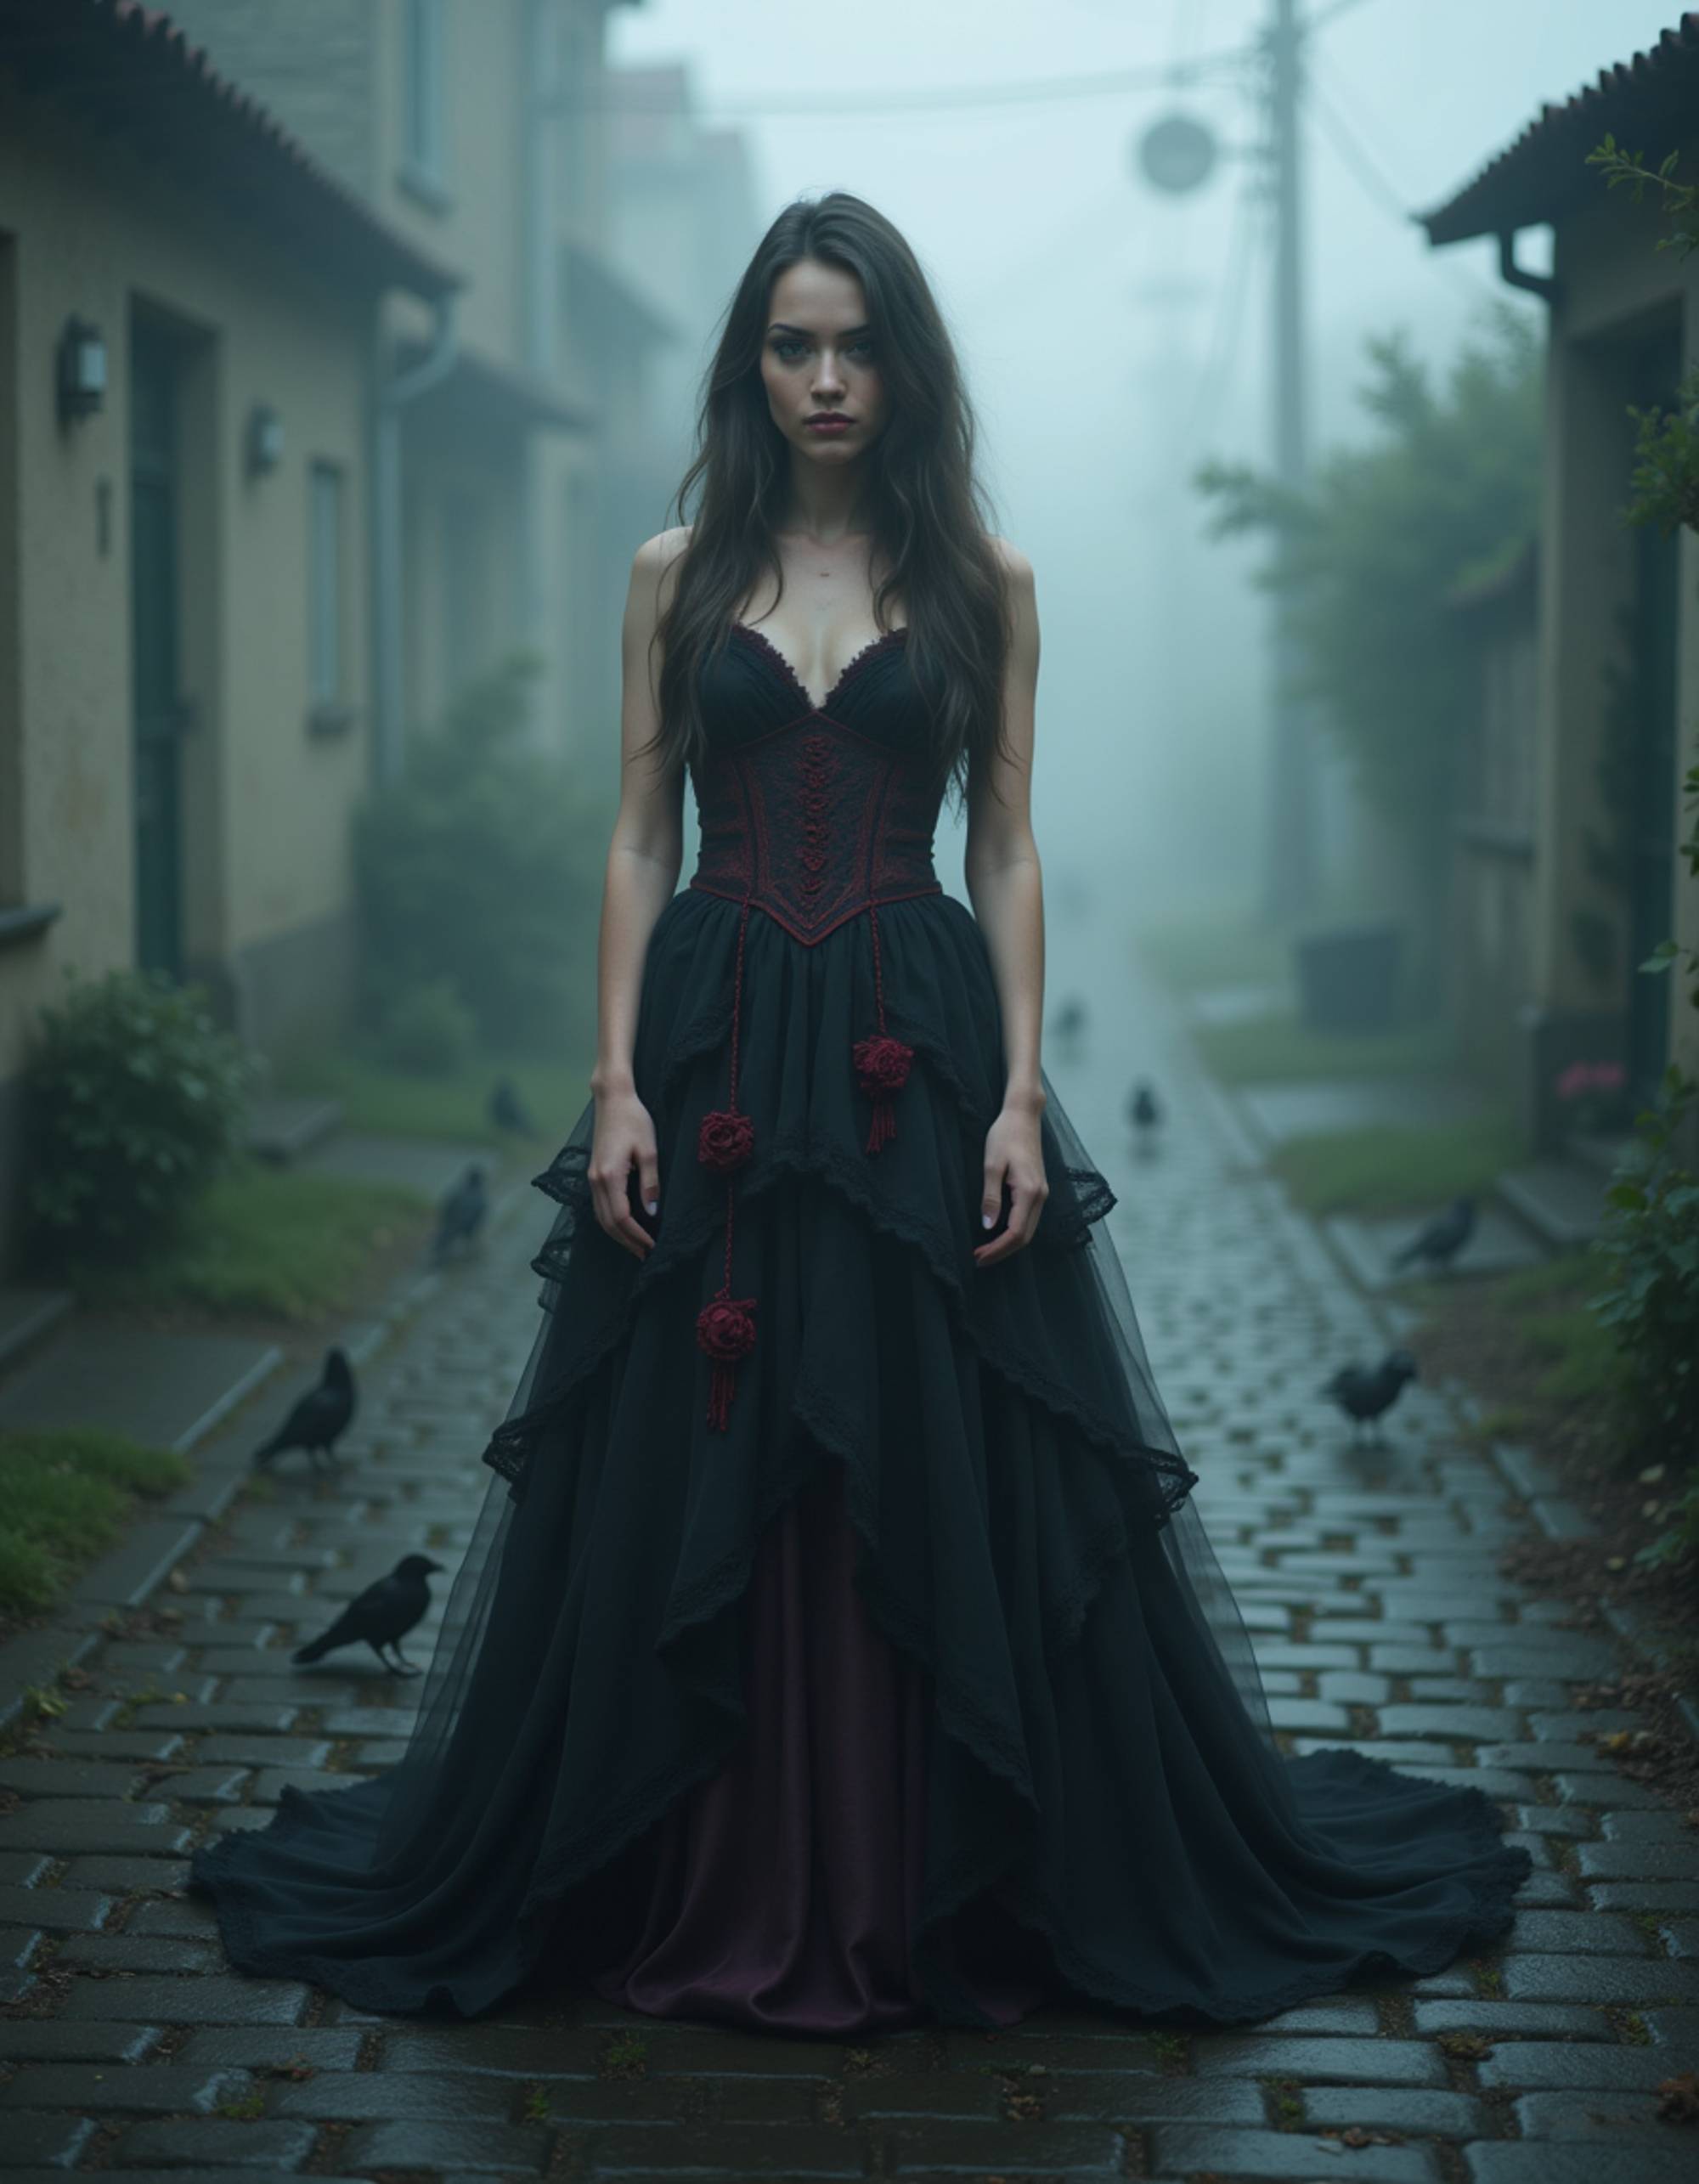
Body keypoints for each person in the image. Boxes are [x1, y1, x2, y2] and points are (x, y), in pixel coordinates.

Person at [189, 191, 1532, 2035]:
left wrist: (1022, 1091)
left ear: (904, 359)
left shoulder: (986, 577)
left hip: (913, 1031)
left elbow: (1009, 838)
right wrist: (606, 1083)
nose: (825, 376)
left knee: (921, 1417)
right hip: (720, 1034)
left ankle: (928, 1864)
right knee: (705, 1419)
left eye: (856, 341)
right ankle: (697, 1855)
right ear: (752, 360)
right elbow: (633, 829)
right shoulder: (674, 569)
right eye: (791, 342)